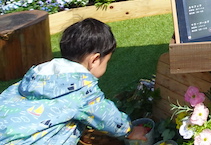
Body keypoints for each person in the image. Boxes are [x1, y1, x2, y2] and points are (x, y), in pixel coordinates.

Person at [0, 18, 131, 143]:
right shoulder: (81, 88)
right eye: (107, 61)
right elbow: (109, 118)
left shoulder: (34, 78)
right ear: (95, 60)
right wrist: (130, 130)